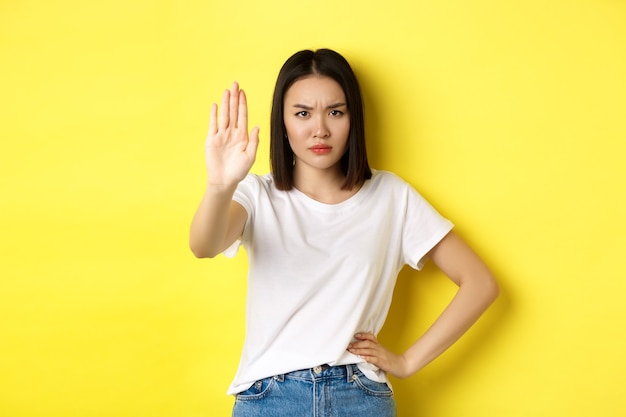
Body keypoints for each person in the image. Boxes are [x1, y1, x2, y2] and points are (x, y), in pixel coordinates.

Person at [189, 48, 499, 417]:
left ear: (353, 118)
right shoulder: (258, 194)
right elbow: (203, 246)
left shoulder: (390, 196)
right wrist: (220, 185)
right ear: (283, 122)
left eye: (335, 112)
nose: (320, 129)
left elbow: (480, 283)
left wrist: (407, 361)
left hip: (359, 396)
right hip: (270, 398)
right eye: (302, 113)